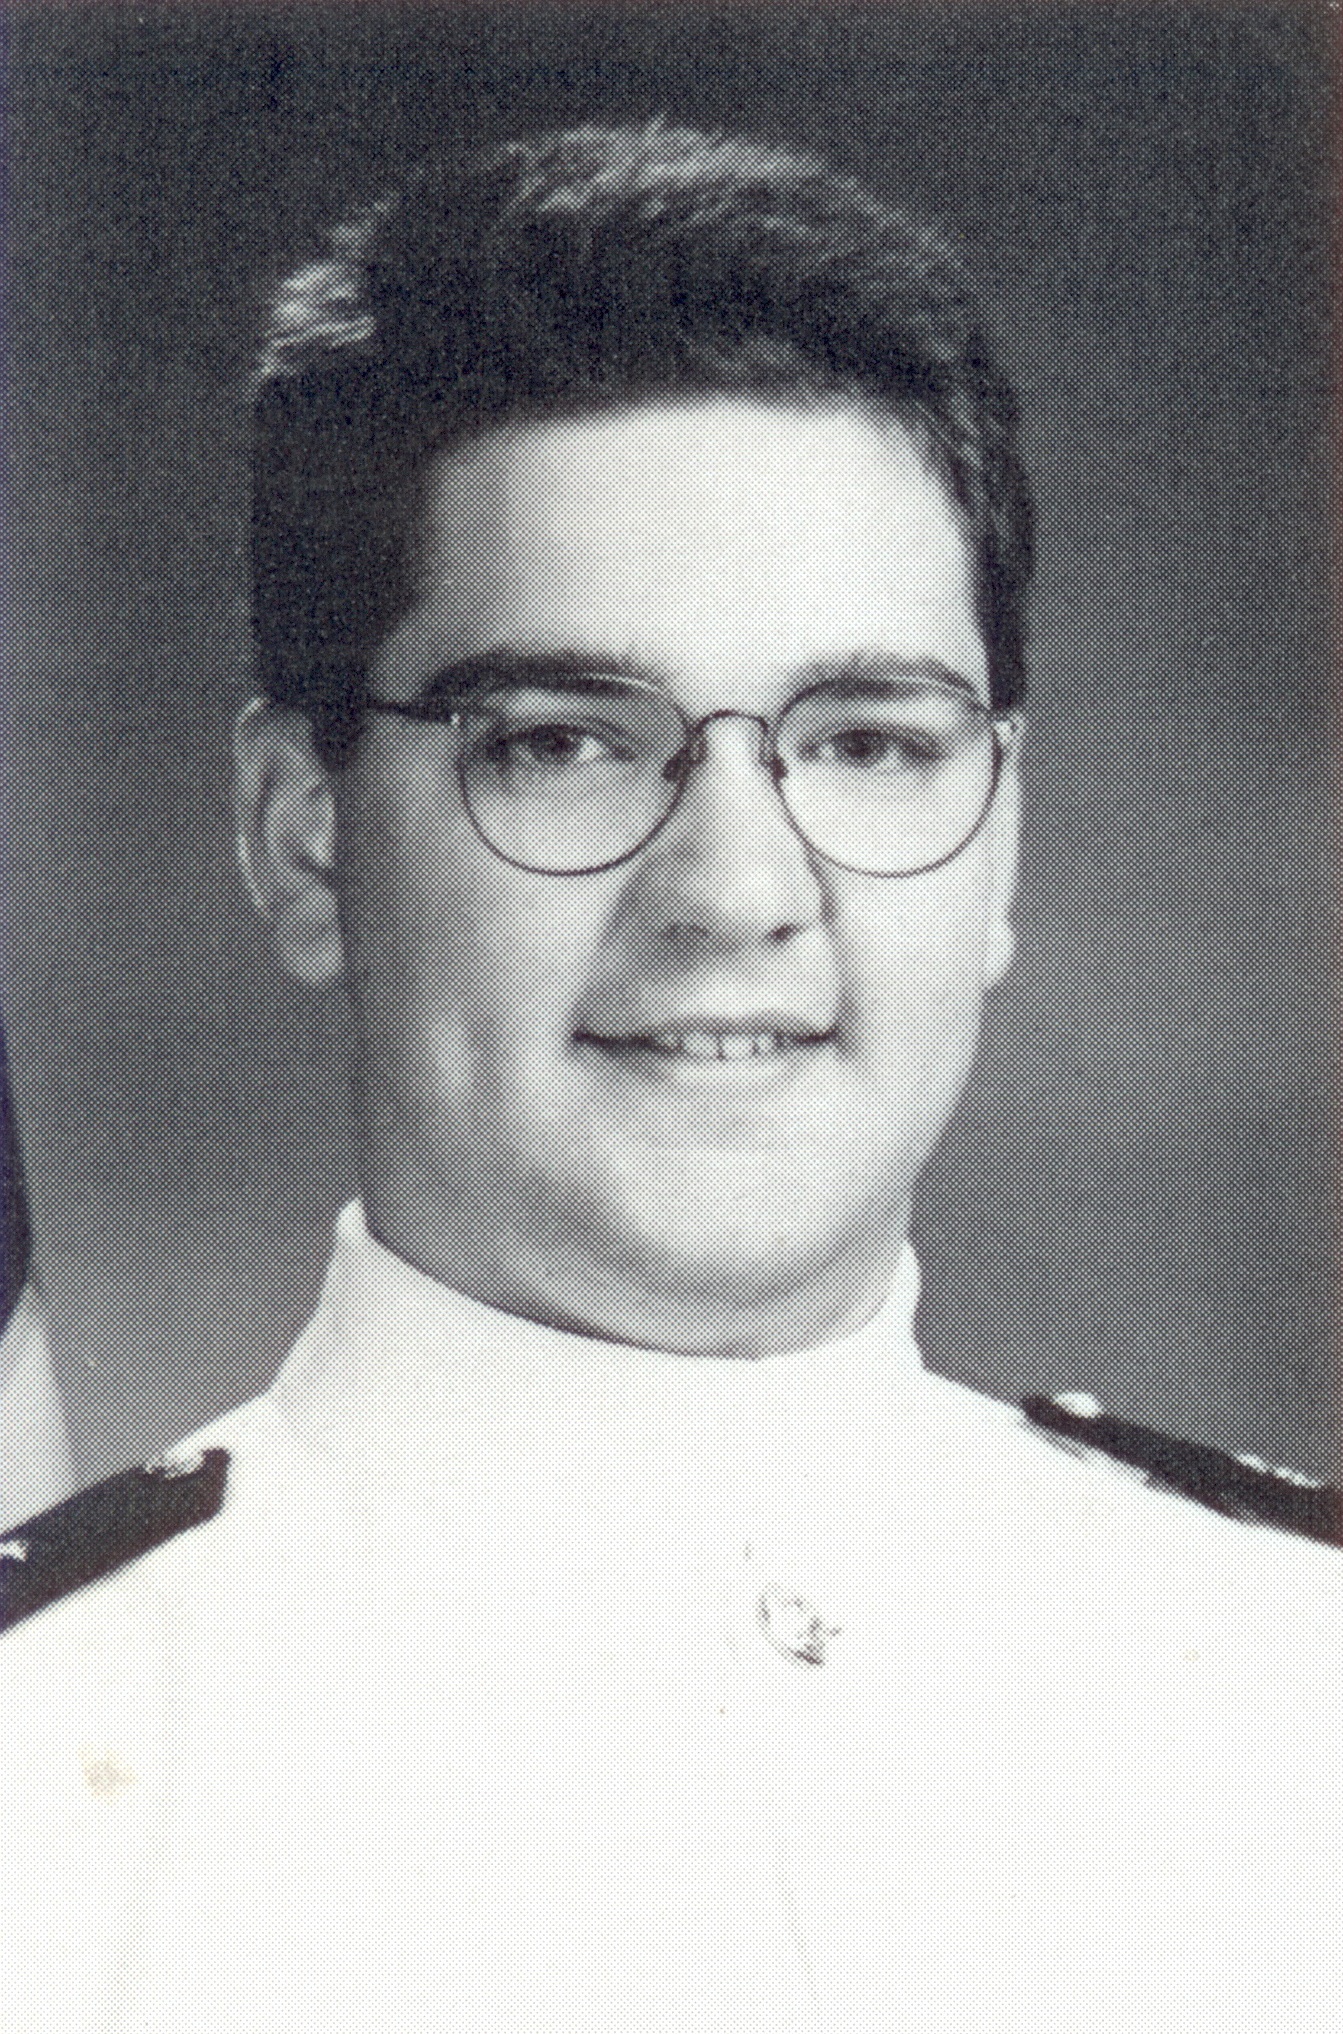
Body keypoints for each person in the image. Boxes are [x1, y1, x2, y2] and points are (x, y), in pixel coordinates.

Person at [2, 122, 1338, 2033]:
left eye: (869, 741)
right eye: (563, 740)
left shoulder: (1298, 1682)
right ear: (302, 836)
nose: (734, 892)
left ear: (1000, 846)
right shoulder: (46, 1777)